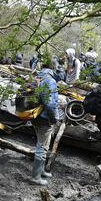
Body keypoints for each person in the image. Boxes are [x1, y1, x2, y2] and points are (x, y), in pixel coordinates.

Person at [29, 53, 64, 186]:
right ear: (53, 67)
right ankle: (36, 177)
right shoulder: (50, 80)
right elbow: (49, 103)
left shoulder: (37, 76)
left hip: (35, 116)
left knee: (44, 143)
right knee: (42, 147)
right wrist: (54, 118)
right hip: (44, 118)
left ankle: (42, 170)